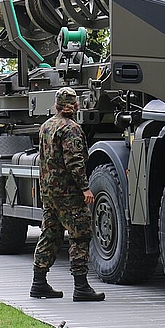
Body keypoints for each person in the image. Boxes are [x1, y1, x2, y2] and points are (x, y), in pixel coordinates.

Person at [30, 86, 105, 302]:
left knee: (50, 234)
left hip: (49, 192)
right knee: (80, 235)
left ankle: (39, 283)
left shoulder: (46, 126)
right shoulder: (71, 128)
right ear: (74, 105)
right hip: (68, 193)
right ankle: (81, 287)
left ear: (57, 104)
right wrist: (84, 187)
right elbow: (74, 161)